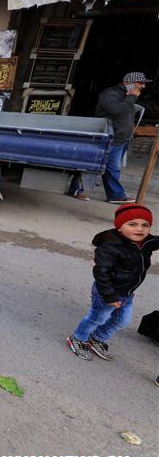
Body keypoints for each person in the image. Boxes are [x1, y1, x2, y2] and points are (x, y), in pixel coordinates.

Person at [67, 204, 157, 361]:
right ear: (119, 227)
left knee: (122, 321)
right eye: (132, 224)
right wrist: (109, 296)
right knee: (97, 318)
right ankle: (78, 338)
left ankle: (97, 338)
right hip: (107, 292)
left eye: (145, 225)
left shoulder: (145, 243)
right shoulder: (110, 246)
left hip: (127, 293)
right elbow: (101, 273)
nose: (139, 229)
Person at [95, 72, 148, 204]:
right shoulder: (110, 93)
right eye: (140, 83)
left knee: (113, 169)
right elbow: (116, 110)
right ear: (127, 83)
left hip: (120, 139)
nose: (143, 86)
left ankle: (115, 196)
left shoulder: (128, 95)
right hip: (108, 138)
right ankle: (76, 189)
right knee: (92, 165)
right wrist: (131, 97)